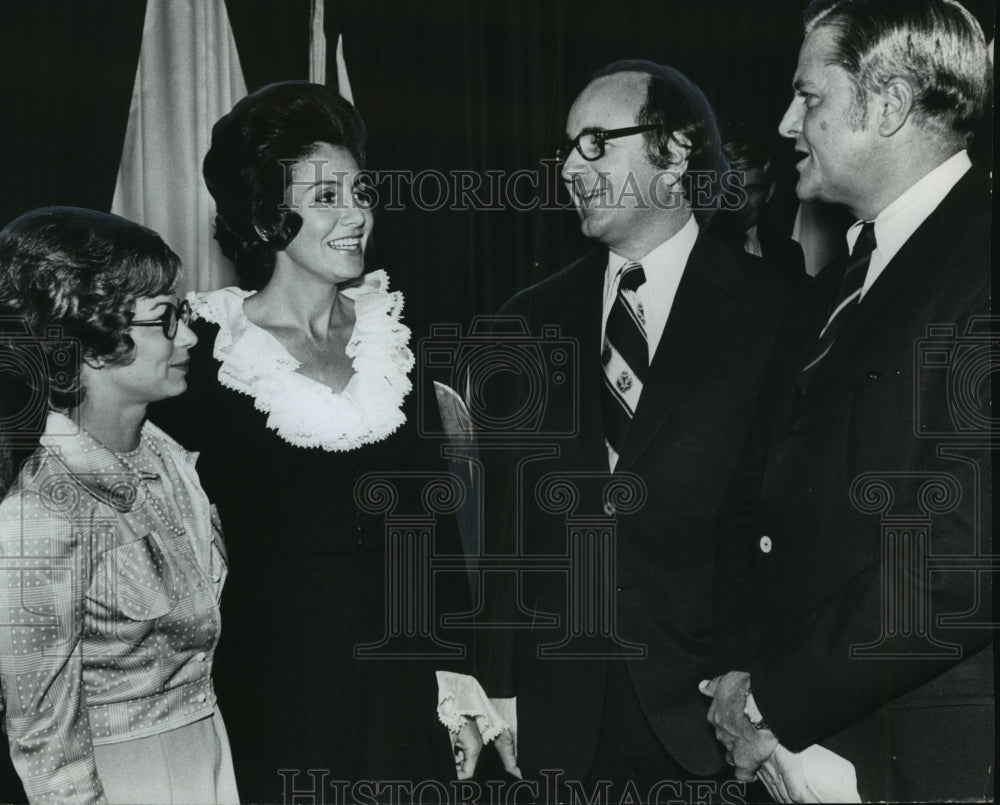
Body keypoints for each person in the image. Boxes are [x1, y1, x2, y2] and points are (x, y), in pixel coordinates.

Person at [150, 81, 502, 802]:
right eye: (326, 196)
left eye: (359, 191)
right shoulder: (202, 355)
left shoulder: (395, 342)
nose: (356, 215)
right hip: (268, 704)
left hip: (401, 701)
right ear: (267, 213)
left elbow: (432, 539)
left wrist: (459, 688)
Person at [475, 60, 796, 802]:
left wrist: (759, 674)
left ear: (675, 150)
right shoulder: (526, 320)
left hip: (710, 718)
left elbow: (785, 515)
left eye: (595, 143)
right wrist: (499, 689)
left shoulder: (778, 312)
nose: (569, 169)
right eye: (564, 149)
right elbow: (506, 529)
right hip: (560, 722)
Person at [703, 1, 993, 801]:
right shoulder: (842, 278)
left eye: (810, 97)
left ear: (890, 104)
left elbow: (958, 562)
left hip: (925, 760)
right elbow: (764, 510)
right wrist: (747, 677)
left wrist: (774, 704)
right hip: (810, 747)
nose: (787, 123)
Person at [0, 207, 238, 804]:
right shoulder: (41, 510)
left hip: (206, 756)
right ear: (92, 342)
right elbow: (43, 739)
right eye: (165, 318)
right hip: (117, 780)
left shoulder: (171, 460)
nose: (187, 336)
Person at [712, 139, 806, 284]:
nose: (741, 202)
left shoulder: (789, 252)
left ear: (769, 193)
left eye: (752, 190)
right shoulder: (702, 248)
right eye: (732, 190)